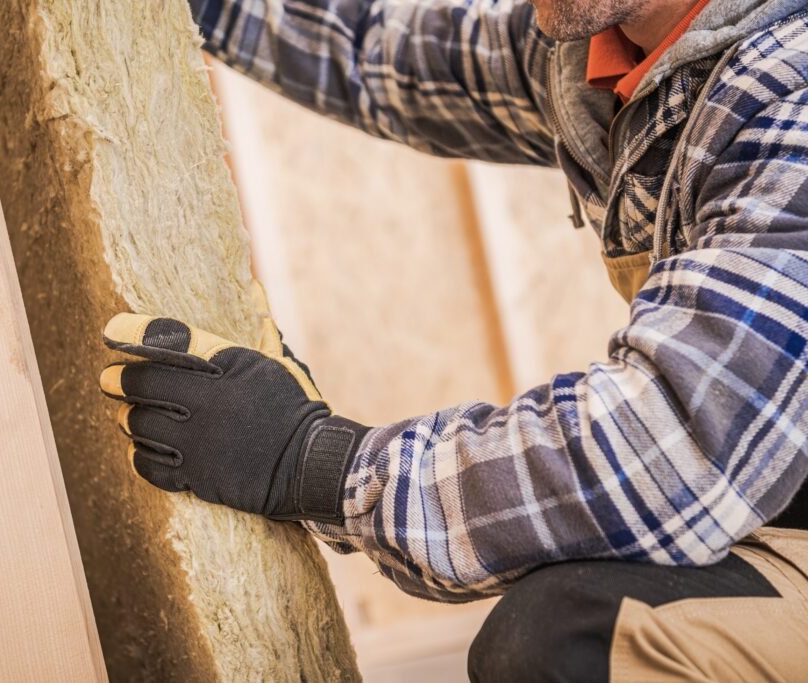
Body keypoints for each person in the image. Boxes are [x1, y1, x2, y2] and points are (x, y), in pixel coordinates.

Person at [99, 0, 808, 679]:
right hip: (771, 513)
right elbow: (372, 51)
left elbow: (671, 448)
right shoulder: (611, 50)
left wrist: (317, 465)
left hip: (753, 500)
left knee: (564, 642)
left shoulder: (791, 97)